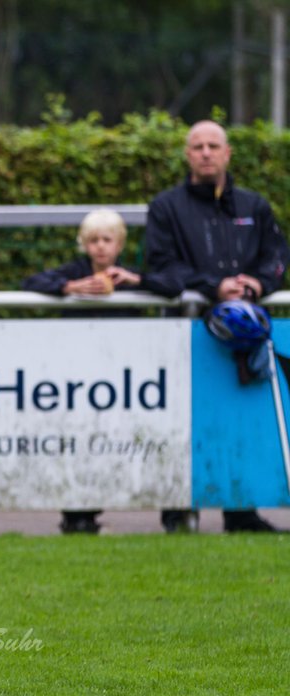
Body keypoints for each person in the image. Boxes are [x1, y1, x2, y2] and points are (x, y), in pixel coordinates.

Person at [146, 119, 290, 533]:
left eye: (213, 145)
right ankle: (178, 514)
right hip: (186, 337)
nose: (206, 153)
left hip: (244, 340)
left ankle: (241, 513)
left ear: (228, 153)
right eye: (197, 146)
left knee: (243, 419)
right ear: (187, 155)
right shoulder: (166, 207)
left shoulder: (254, 206)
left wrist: (259, 282)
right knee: (180, 423)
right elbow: (159, 266)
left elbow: (277, 256)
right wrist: (213, 287)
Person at [22, 207, 180, 534]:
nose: (100, 247)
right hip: (80, 376)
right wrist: (69, 287)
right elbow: (32, 282)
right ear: (84, 243)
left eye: (107, 240)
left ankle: (172, 513)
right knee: (80, 439)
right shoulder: (75, 272)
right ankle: (79, 513)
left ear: (119, 244)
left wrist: (139, 281)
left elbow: (174, 286)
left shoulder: (131, 276)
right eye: (93, 240)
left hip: (128, 378)